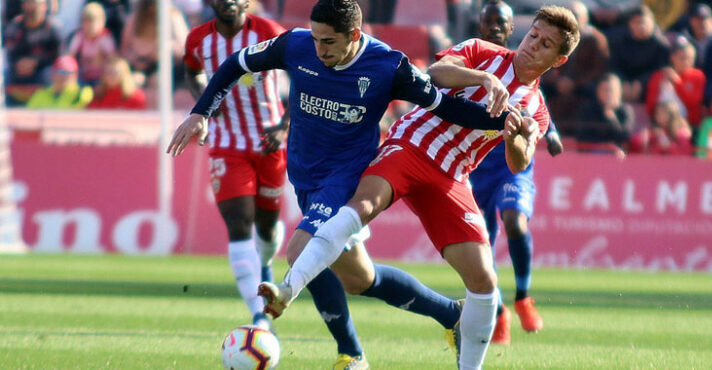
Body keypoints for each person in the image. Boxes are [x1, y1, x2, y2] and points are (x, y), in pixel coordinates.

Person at [167, 1, 513, 368]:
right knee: (359, 278)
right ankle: (451, 315)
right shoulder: (295, 45)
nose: (319, 49)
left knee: (301, 251)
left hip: (346, 177)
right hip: (305, 176)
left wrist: (504, 120)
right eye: (316, 39)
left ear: (355, 36)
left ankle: (351, 354)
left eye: (329, 42)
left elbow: (444, 106)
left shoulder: (389, 66)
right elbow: (237, 64)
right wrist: (200, 113)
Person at [258, 5, 579, 369]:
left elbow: (518, 162)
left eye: (546, 43)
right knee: (362, 207)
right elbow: (435, 74)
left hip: (452, 177)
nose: (533, 44)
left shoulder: (536, 109)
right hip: (411, 145)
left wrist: (515, 139)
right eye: (534, 34)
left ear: (559, 59)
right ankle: (287, 290)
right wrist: (483, 79)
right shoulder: (484, 52)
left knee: (485, 283)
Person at [178, 0, 287, 334]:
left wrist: (285, 125)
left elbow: (305, 75)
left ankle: (265, 262)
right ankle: (259, 317)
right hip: (227, 144)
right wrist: (206, 102)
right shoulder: (198, 38)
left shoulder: (268, 31)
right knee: (239, 224)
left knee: (267, 229)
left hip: (270, 141)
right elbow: (191, 70)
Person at [468, 0, 564, 347]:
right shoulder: (474, 59)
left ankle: (523, 296)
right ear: (479, 24)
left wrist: (550, 132)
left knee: (515, 222)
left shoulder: (522, 63)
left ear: (511, 30)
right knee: (481, 248)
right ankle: (498, 314)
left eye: (502, 23)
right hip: (474, 167)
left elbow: (534, 99)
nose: (494, 27)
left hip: (512, 165)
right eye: (489, 21)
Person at [541, 1, 609, 134]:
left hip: (583, 84)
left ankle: (587, 133)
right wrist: (558, 81)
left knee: (595, 92)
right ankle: (543, 128)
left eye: (576, 16)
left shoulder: (595, 40)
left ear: (585, 18)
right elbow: (544, 64)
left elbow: (598, 70)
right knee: (538, 89)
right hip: (559, 84)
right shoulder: (554, 38)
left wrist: (574, 83)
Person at [608, 5, 670, 102]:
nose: (641, 26)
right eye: (637, 22)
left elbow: (660, 69)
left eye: (644, 22)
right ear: (630, 24)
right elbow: (614, 66)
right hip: (624, 85)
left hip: (647, 86)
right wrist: (623, 81)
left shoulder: (661, 45)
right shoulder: (620, 42)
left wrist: (641, 82)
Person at [120, 0, 189, 88]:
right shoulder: (134, 20)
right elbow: (125, 50)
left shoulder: (173, 17)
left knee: (159, 80)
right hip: (141, 66)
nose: (152, 10)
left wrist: (164, 48)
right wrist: (136, 60)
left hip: (168, 65)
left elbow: (183, 47)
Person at [645, 36, 705, 131]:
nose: (687, 62)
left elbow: (693, 102)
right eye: (683, 58)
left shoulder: (697, 76)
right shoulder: (658, 76)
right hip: (661, 125)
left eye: (691, 58)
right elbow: (650, 106)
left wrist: (677, 82)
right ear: (672, 57)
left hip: (688, 125)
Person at [3, 0, 63, 87]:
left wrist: (36, 63)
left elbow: (59, 56)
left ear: (45, 7)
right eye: (29, 3)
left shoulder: (52, 28)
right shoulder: (14, 27)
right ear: (23, 5)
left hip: (42, 71)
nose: (33, 7)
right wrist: (18, 64)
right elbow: (8, 52)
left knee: (48, 74)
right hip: (18, 71)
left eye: (37, 4)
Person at [577, 73, 634, 157]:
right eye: (605, 90)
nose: (608, 94)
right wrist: (604, 146)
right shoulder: (588, 110)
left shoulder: (625, 111)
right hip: (593, 153)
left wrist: (612, 118)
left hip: (619, 154)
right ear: (598, 91)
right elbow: (582, 136)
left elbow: (625, 136)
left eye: (611, 90)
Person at [684, 3, 712, 109]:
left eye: (705, 19)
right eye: (698, 19)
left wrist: (702, 95)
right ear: (691, 21)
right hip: (690, 89)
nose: (702, 23)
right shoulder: (686, 42)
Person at [67, 2, 117, 86]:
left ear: (102, 22)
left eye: (93, 21)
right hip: (82, 76)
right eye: (86, 21)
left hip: (100, 77)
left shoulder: (105, 38)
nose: (89, 25)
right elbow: (70, 56)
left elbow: (113, 59)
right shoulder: (79, 36)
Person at [26, 55, 94, 109]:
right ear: (52, 73)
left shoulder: (82, 93)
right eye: (60, 71)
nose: (64, 76)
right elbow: (29, 115)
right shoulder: (40, 94)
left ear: (75, 75)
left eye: (68, 72)